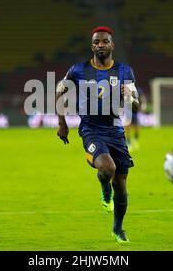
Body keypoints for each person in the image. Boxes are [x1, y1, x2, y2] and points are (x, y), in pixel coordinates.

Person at [56, 26, 139, 243]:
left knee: (121, 183)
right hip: (91, 129)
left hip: (115, 130)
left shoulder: (125, 72)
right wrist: (61, 123)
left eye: (104, 41)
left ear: (112, 45)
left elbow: (136, 108)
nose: (100, 45)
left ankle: (118, 229)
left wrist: (130, 97)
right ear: (92, 46)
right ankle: (104, 190)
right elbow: (58, 91)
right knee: (107, 168)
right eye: (96, 42)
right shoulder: (77, 70)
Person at [125, 86, 147, 152]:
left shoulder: (138, 89)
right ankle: (128, 143)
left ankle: (135, 140)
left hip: (135, 110)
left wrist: (143, 106)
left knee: (137, 127)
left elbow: (142, 98)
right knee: (128, 127)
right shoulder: (125, 88)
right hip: (128, 110)